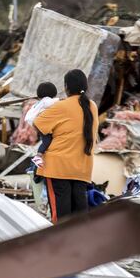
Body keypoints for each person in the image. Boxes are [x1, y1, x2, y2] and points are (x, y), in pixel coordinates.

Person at [34, 69, 98, 222]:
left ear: (66, 87)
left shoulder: (61, 106)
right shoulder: (92, 106)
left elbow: (38, 123)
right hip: (82, 168)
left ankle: (61, 244)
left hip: (58, 167)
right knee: (79, 215)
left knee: (61, 216)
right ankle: (79, 244)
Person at [25, 82, 59, 168]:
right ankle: (38, 157)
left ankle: (39, 156)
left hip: (35, 123)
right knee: (47, 140)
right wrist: (60, 101)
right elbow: (52, 103)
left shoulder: (39, 103)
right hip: (40, 124)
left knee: (45, 140)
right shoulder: (47, 101)